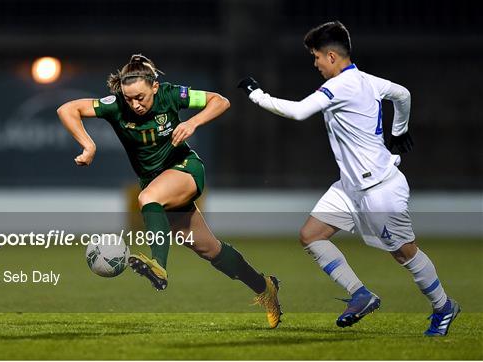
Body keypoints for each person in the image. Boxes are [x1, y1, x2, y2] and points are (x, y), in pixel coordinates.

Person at [237, 21, 459, 336]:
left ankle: (444, 306)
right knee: (312, 234)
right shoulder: (366, 80)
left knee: (404, 252)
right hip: (351, 185)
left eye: (315, 57)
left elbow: (300, 112)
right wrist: (400, 130)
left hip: (377, 189)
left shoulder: (342, 86)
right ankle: (360, 295)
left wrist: (257, 95)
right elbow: (402, 94)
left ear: (330, 56)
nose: (314, 64)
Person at [57, 54, 281, 328]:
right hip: (157, 182)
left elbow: (220, 101)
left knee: (148, 198)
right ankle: (265, 287)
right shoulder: (115, 106)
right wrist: (88, 145)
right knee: (210, 250)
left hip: (185, 168)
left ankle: (158, 266)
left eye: (140, 97)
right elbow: (67, 109)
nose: (135, 104)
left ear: (154, 86)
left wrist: (192, 123)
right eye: (129, 98)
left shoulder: (171, 95)